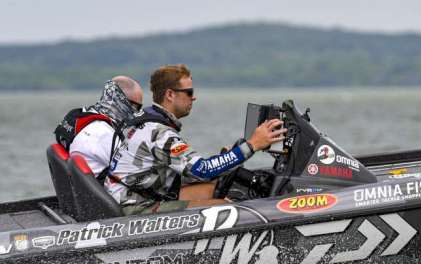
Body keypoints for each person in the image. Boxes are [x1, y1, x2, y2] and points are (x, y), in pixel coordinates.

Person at [105, 64, 285, 215]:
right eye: (189, 92)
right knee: (226, 209)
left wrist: (229, 157)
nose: (194, 97)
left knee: (212, 189)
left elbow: (192, 169)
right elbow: (202, 170)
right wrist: (252, 145)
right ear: (170, 95)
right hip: (133, 209)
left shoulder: (147, 122)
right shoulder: (159, 134)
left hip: (132, 197)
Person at [66, 77, 143, 177]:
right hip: (99, 185)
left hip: (81, 182)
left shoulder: (85, 118)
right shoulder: (105, 134)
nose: (136, 112)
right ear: (119, 100)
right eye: (136, 106)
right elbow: (132, 172)